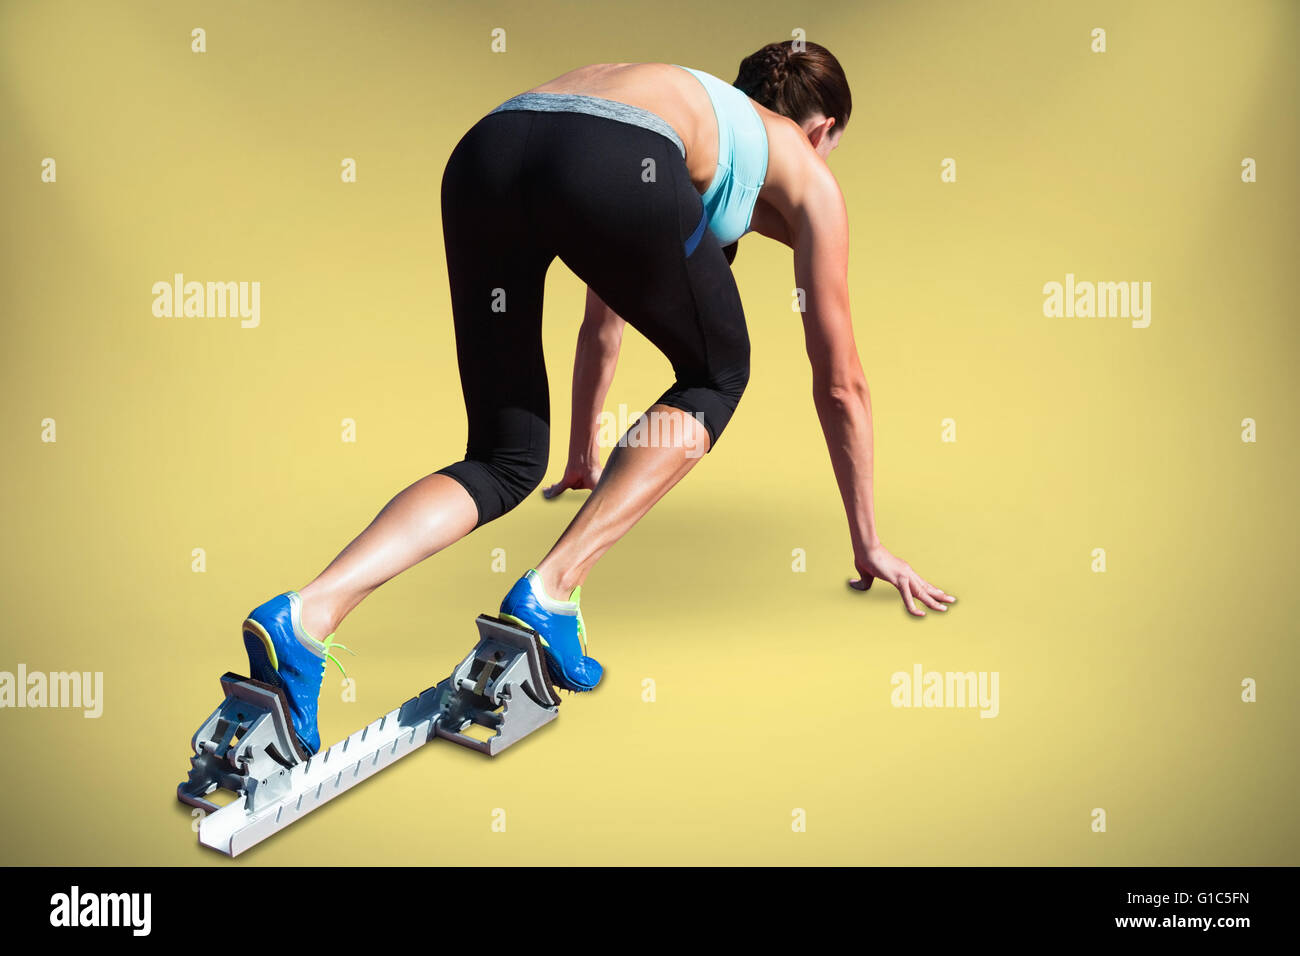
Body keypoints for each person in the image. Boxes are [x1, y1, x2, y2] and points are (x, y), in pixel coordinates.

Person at [239, 42, 956, 759]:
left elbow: (603, 322)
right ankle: (552, 592)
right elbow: (841, 383)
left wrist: (584, 452)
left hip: (488, 151)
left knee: (503, 458)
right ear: (823, 130)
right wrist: (868, 540)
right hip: (601, 158)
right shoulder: (803, 169)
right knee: (717, 375)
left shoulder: (682, 113)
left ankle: (307, 613)